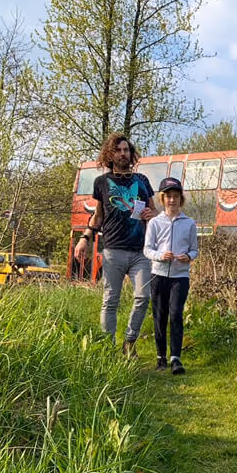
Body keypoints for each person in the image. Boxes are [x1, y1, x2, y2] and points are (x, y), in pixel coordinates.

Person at [73, 132, 157, 358]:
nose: (123, 154)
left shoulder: (141, 181)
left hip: (140, 251)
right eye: (118, 150)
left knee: (143, 297)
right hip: (113, 250)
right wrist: (85, 239)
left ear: (131, 154)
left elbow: (155, 212)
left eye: (126, 150)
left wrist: (151, 214)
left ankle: (130, 342)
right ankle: (106, 349)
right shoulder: (101, 182)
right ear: (110, 154)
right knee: (110, 301)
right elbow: (98, 216)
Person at [144, 176, 198, 373]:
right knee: (160, 316)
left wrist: (188, 257)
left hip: (180, 276)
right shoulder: (155, 223)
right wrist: (160, 256)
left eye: (176, 196)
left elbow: (195, 250)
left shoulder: (189, 223)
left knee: (176, 314)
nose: (172, 200)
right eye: (168, 197)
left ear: (181, 199)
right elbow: (147, 250)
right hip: (158, 275)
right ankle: (161, 358)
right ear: (162, 199)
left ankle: (176, 358)